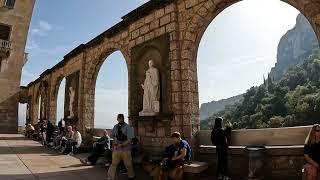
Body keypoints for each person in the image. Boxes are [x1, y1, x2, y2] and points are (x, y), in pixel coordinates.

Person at [106, 114, 135, 180]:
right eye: (119, 118)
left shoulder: (129, 127)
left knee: (129, 165)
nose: (120, 119)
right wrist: (114, 147)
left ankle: (131, 176)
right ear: (117, 119)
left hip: (126, 149)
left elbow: (130, 139)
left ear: (123, 118)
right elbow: (112, 137)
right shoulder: (115, 127)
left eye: (121, 118)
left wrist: (121, 145)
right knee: (113, 164)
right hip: (116, 149)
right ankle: (110, 177)